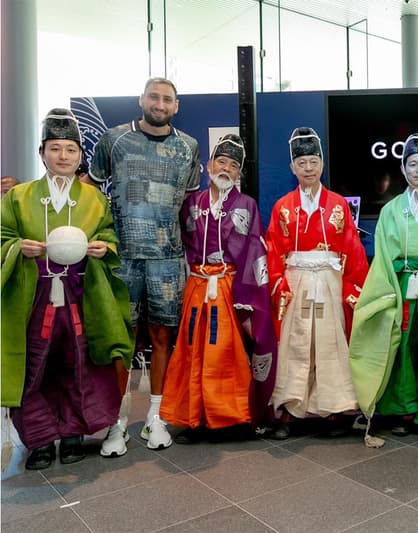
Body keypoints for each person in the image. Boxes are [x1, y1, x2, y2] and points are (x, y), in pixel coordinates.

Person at [1, 109, 134, 469]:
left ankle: (74, 433)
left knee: (80, 361)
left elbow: (108, 234)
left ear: (80, 156)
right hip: (36, 294)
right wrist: (17, 248)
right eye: (55, 148)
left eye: (71, 149)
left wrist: (103, 248)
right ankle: (41, 439)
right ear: (41, 152)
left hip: (80, 293)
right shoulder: (18, 197)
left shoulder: (94, 199)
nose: (63, 156)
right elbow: (3, 237)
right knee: (35, 365)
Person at [90, 77, 201, 454]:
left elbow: (185, 201)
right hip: (122, 259)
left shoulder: (188, 147)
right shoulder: (114, 139)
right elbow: (92, 188)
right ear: (141, 99)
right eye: (153, 96)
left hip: (167, 261)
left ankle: (157, 417)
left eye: (167, 99)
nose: (159, 103)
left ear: (176, 106)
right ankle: (116, 423)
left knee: (161, 339)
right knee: (122, 342)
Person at [160, 134, 277, 442]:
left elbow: (255, 249)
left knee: (227, 352)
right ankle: (194, 417)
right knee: (192, 351)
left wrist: (248, 295)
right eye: (221, 162)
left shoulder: (247, 205)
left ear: (239, 173)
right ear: (209, 165)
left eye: (234, 165)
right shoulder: (192, 204)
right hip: (198, 285)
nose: (226, 169)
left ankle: (233, 417)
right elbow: (181, 244)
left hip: (229, 286)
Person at [350, 133, 418, 447]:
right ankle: (401, 410)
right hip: (399, 283)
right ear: (403, 168)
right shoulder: (391, 210)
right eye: (413, 164)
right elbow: (382, 254)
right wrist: (388, 291)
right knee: (399, 344)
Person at [265, 127, 368, 438]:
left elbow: (352, 248)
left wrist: (352, 287)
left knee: (330, 343)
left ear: (322, 164)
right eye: (301, 163)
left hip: (330, 281)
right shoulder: (283, 206)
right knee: (297, 343)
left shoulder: (338, 204)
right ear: (292, 168)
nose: (308, 168)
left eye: (313, 161)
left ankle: (336, 409)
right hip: (295, 283)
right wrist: (278, 282)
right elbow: (273, 249)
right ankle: (292, 408)